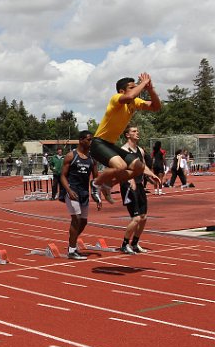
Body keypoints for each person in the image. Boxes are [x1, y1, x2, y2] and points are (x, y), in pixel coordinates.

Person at [90, 73, 161, 203]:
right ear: (122, 91)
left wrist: (150, 90)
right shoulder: (116, 98)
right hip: (98, 143)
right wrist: (143, 83)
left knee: (139, 167)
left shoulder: (134, 102)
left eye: (136, 87)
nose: (136, 89)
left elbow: (156, 107)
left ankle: (108, 185)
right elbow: (130, 95)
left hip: (110, 144)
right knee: (121, 166)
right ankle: (96, 183)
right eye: (132, 87)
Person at [59, 131, 102, 260]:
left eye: (91, 140)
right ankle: (72, 250)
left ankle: (72, 243)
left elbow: (96, 179)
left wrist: (97, 195)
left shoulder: (91, 159)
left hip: (84, 193)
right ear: (81, 140)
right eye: (89, 140)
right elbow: (62, 176)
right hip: (72, 190)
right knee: (76, 219)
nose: (91, 142)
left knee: (83, 221)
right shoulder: (71, 156)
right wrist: (69, 190)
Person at [119, 125, 160, 254]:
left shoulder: (140, 150)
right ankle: (125, 244)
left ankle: (135, 243)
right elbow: (120, 168)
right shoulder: (123, 150)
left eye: (137, 131)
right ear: (127, 135)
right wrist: (128, 178)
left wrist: (152, 176)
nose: (137, 133)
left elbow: (142, 167)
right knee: (136, 218)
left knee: (144, 217)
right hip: (128, 186)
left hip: (139, 184)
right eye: (134, 131)